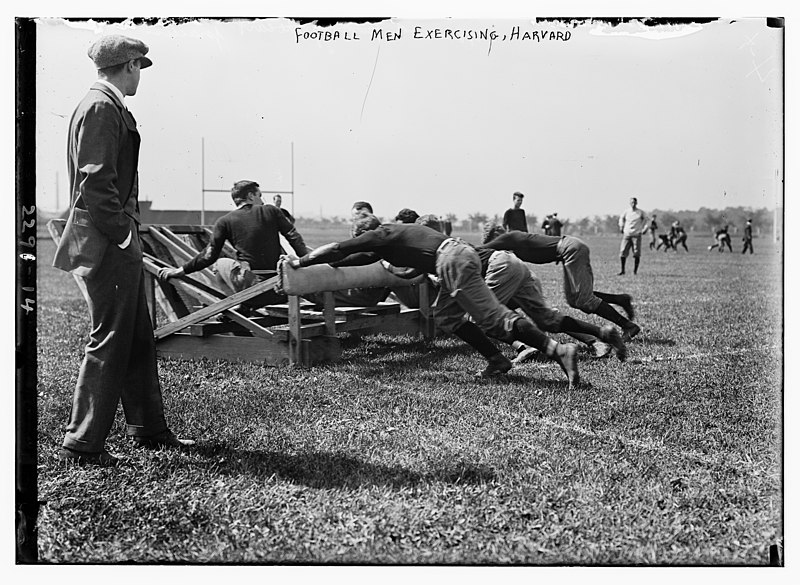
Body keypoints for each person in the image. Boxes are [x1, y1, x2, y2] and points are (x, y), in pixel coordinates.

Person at [56, 35, 193, 466]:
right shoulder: (100, 107)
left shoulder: (102, 104)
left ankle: (149, 429)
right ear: (130, 65)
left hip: (112, 239)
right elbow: (96, 183)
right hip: (108, 241)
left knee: (135, 337)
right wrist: (123, 235)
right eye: (140, 67)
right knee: (112, 338)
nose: (140, 76)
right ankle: (83, 442)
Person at [286, 215, 581, 388]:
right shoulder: (398, 235)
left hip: (452, 261)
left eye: (360, 238)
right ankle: (497, 359)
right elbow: (361, 259)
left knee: (492, 318)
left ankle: (558, 350)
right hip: (456, 256)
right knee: (446, 317)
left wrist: (301, 260)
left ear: (367, 235)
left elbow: (339, 250)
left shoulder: (382, 234)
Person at [479, 222, 641, 342]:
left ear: (497, 235)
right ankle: (620, 299)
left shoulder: (509, 237)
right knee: (575, 299)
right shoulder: (511, 242)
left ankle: (627, 326)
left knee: (584, 300)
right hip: (568, 251)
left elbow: (482, 250)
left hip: (570, 249)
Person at [158, 180, 309, 308]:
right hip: (281, 289)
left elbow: (208, 256)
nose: (262, 201)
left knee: (219, 263)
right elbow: (293, 237)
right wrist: (309, 260)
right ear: (250, 196)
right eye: (259, 196)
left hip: (252, 292)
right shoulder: (271, 211)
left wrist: (180, 271)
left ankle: (236, 304)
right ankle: (240, 304)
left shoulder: (224, 221)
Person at [618, 197, 648, 275]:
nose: (633, 204)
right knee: (623, 252)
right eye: (632, 202)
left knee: (636, 253)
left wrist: (645, 229)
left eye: (634, 202)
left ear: (636, 203)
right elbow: (621, 218)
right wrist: (621, 226)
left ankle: (635, 271)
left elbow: (647, 220)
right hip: (627, 234)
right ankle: (622, 270)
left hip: (636, 235)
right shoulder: (626, 212)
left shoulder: (640, 212)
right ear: (630, 203)